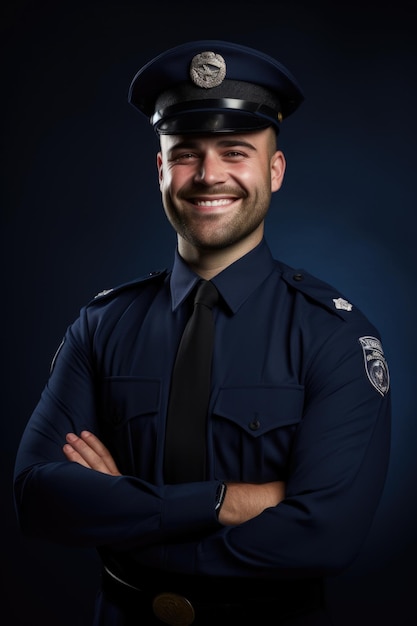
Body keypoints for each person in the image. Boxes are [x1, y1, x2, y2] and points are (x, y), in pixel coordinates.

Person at [13, 40, 391, 626]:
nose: (209, 175)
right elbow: (39, 497)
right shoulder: (103, 325)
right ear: (162, 169)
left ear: (275, 169)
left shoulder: (335, 337)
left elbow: (326, 537)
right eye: (186, 153)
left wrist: (125, 516)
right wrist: (225, 502)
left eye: (235, 151)